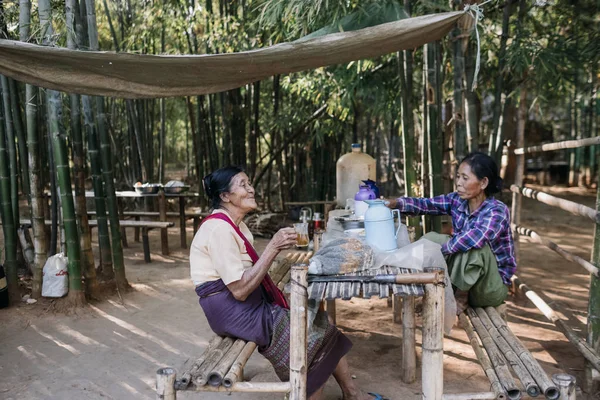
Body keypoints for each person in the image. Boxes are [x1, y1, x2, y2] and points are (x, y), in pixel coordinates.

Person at [191, 165, 381, 400]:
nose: (251, 189)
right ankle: (317, 392)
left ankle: (352, 393)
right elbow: (239, 290)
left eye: (249, 183)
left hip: (245, 305)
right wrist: (273, 247)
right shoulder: (218, 229)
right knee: (307, 338)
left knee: (322, 321)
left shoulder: (235, 225)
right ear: (225, 196)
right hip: (231, 310)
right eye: (243, 185)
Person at [387, 152, 516, 314]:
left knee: (474, 246)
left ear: (483, 183)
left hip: (489, 288)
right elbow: (427, 204)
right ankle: (434, 290)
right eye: (458, 177)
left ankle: (461, 296)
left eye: (465, 178)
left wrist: (439, 251)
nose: (459, 183)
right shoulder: (457, 200)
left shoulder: (497, 211)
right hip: (465, 279)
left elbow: (476, 238)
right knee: (432, 238)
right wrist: (396, 203)